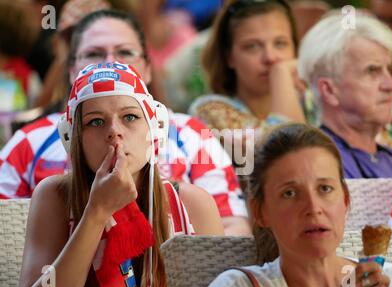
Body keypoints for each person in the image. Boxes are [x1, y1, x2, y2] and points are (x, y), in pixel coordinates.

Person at [0, 9, 251, 236]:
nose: (111, 63)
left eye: (125, 52)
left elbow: (232, 225)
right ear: (71, 69)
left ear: (149, 68)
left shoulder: (192, 135)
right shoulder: (29, 141)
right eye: (94, 53)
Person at [19, 62, 223, 287]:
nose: (114, 131)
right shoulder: (54, 195)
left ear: (154, 130)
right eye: (96, 121)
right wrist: (97, 212)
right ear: (74, 140)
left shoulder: (192, 203)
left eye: (130, 117)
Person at [202, 123, 392, 287]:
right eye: (289, 193)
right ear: (261, 212)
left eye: (325, 188)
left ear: (345, 200)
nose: (313, 208)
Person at [298, 13, 392, 178]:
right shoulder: (314, 166)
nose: (390, 85)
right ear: (329, 90)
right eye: (372, 71)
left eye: (387, 69)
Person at [188, 0, 306, 136]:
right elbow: (287, 149)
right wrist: (281, 74)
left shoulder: (311, 100)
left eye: (280, 43)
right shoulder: (209, 110)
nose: (270, 57)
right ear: (229, 57)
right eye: (252, 46)